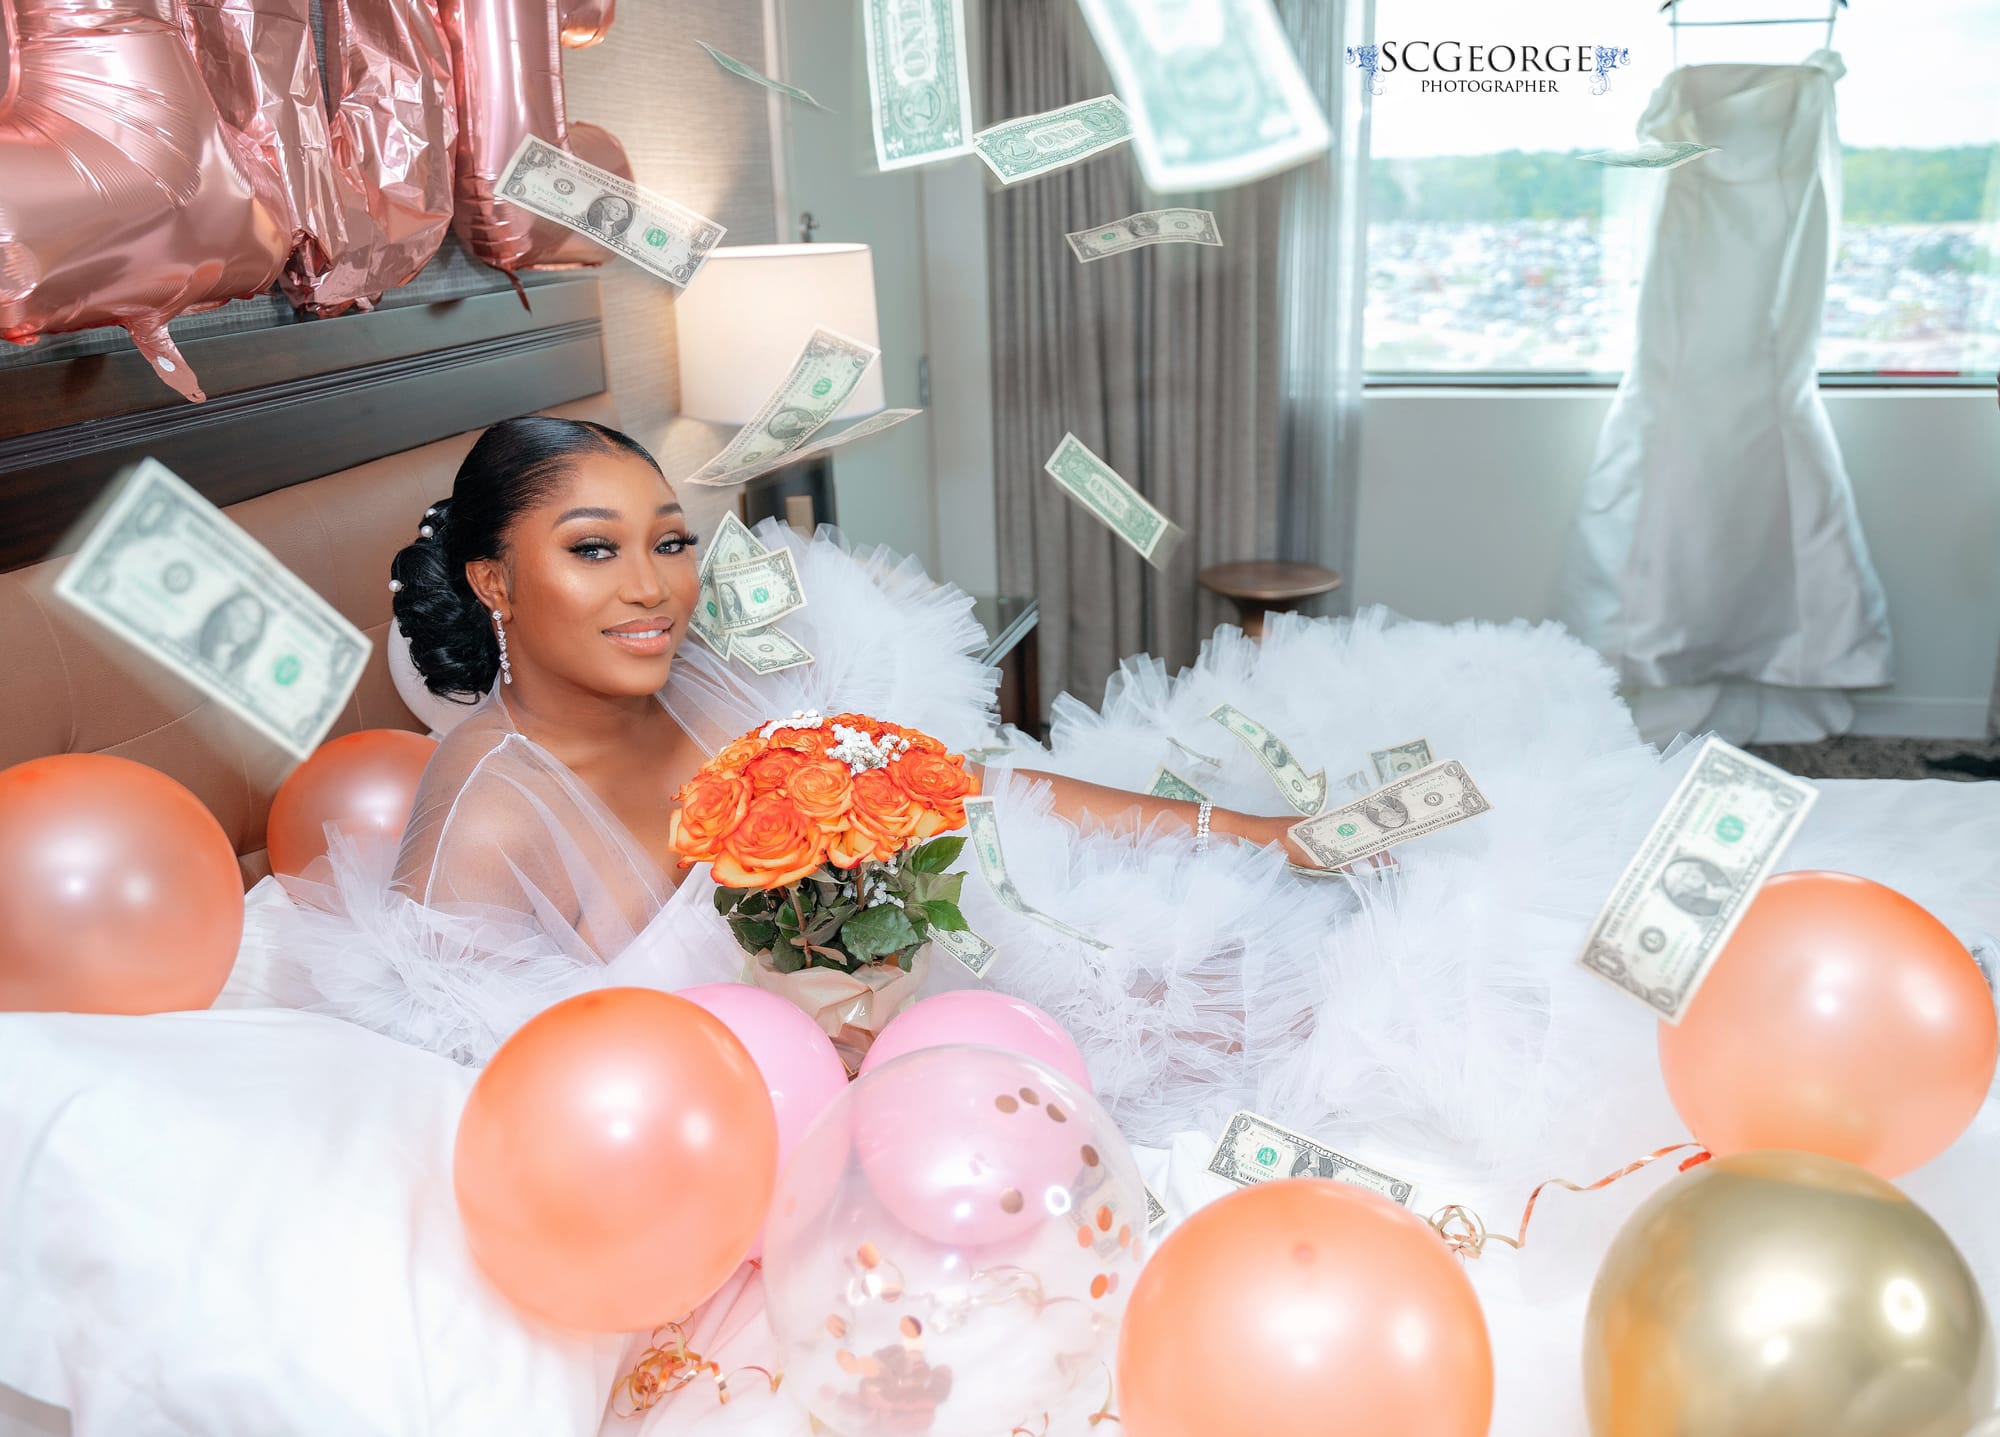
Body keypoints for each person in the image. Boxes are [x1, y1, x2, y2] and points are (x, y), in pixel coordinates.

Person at [243, 417, 1320, 1066]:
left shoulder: (709, 685)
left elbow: (954, 787)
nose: (652, 588)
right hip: (762, 1139)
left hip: (945, 1014)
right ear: (494, 581)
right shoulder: (487, 817)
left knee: (1290, 981)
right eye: (593, 550)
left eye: (670, 542)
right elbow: (509, 1106)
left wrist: (1245, 830)